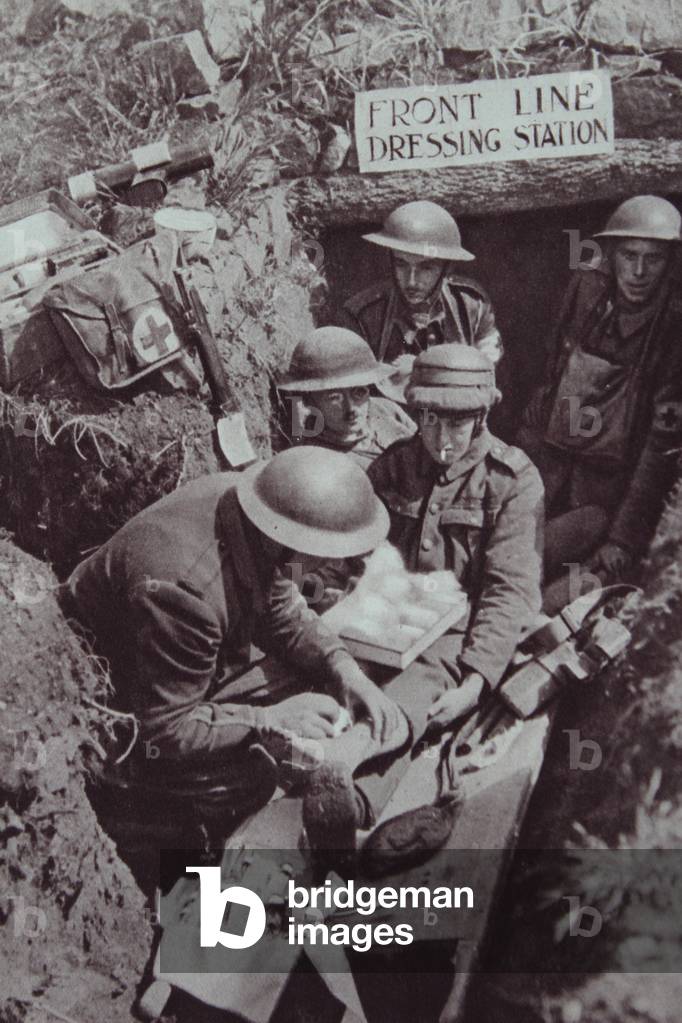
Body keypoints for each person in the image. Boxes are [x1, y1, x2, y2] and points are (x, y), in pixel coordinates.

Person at [60, 447, 404, 833]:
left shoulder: (258, 512)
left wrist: (346, 670)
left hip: (165, 664)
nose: (334, 568)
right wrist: (268, 719)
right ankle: (141, 824)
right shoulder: (188, 594)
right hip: (112, 713)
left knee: (304, 686)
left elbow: (281, 612)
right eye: (331, 556)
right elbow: (165, 728)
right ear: (296, 542)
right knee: (252, 777)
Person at [515, 195, 682, 611]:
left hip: (612, 496)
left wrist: (623, 536)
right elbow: (552, 368)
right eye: (629, 256)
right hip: (551, 470)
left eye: (654, 259)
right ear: (610, 254)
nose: (640, 272)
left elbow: (661, 444)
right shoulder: (587, 289)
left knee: (573, 595)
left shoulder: (674, 325)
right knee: (507, 560)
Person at [367, 344, 544, 729]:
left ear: (481, 417)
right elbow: (353, 552)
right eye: (429, 421)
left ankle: (344, 763)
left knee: (400, 711)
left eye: (457, 424)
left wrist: (477, 679)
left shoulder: (512, 481)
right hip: (380, 623)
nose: (442, 438)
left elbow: (509, 591)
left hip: (455, 637)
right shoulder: (394, 465)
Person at [341, 200, 502, 367]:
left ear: (446, 268)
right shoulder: (363, 315)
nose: (411, 281)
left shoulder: (471, 305)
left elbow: (486, 366)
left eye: (425, 268)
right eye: (402, 264)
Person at [276, 326, 415, 468]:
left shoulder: (384, 409)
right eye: (334, 398)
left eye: (359, 392)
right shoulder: (319, 462)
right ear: (309, 401)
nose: (351, 408)